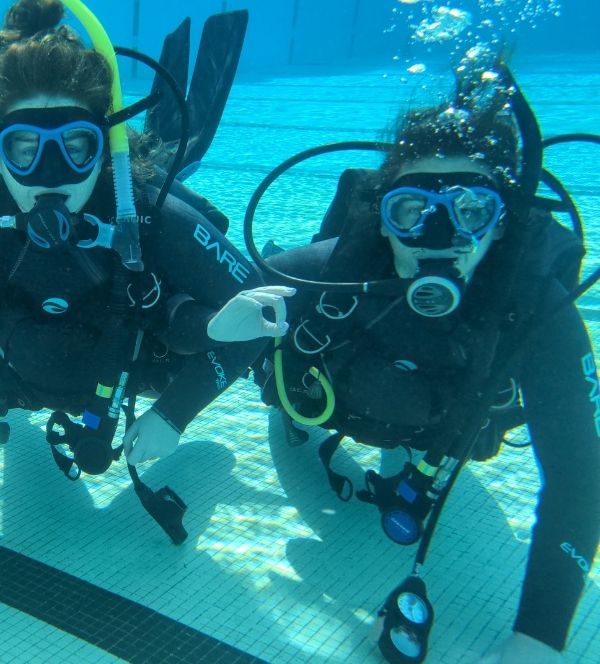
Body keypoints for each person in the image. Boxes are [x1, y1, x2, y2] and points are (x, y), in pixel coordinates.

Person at [0, 0, 290, 543]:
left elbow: (263, 318)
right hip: (9, 384)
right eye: (24, 148)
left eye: (76, 147)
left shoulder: (140, 210)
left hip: (124, 379)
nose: (50, 177)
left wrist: (174, 414)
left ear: (103, 149)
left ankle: (168, 140)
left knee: (174, 162)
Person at [217, 61, 599, 663]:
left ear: (501, 225)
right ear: (383, 217)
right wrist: (225, 330)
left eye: (471, 210)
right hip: (341, 397)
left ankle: (417, 459)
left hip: (448, 425)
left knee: (462, 435)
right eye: (411, 212)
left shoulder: (535, 306)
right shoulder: (340, 264)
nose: (438, 236)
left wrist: (539, 637)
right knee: (288, 381)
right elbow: (253, 286)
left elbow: (579, 474)